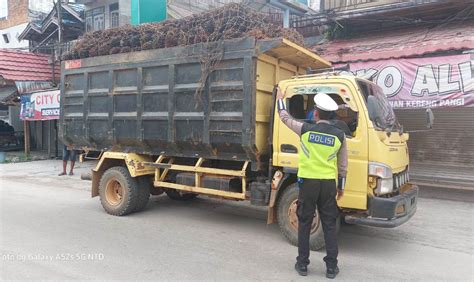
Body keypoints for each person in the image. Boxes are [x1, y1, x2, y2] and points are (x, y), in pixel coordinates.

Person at [276, 87, 348, 279]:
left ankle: (302, 264)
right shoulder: (339, 135)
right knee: (329, 224)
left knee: (305, 222)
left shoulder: (305, 130)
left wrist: (280, 100)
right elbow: (343, 165)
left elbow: (284, 117)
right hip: (328, 185)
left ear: (316, 113)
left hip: (308, 184)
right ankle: (331, 267)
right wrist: (341, 187)